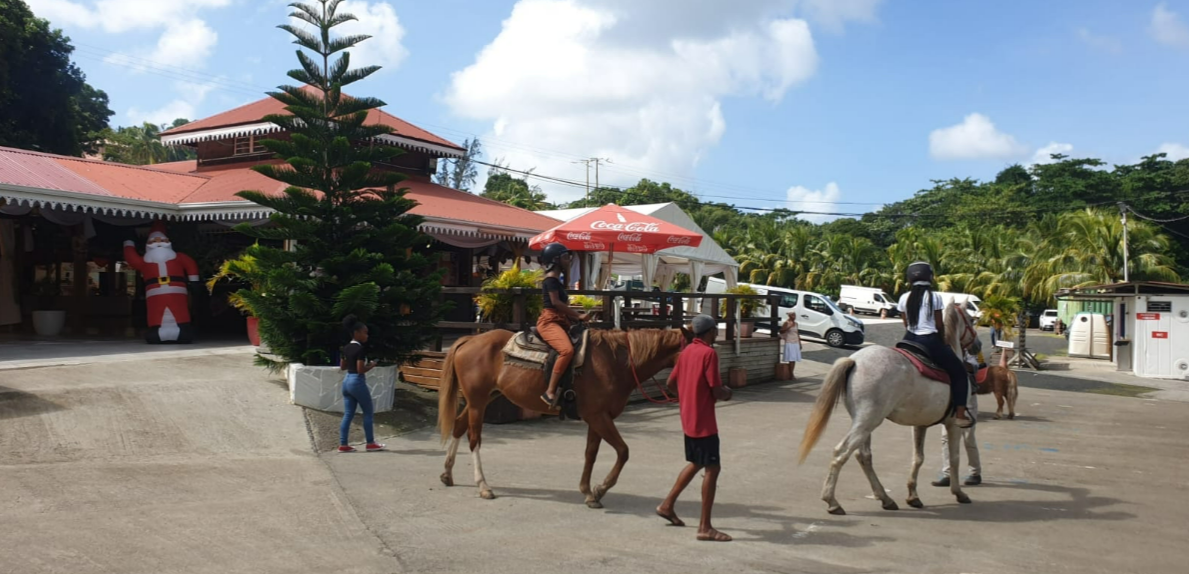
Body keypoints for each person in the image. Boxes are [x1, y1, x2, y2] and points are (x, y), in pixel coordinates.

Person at [656, 314, 733, 542]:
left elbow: (670, 384)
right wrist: (727, 393)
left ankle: (667, 505)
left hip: (688, 419)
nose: (717, 333)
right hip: (704, 421)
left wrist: (687, 397)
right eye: (715, 330)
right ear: (709, 332)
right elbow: (716, 390)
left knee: (697, 462)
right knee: (712, 468)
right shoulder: (709, 353)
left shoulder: (686, 352)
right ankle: (705, 527)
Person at [898, 262, 974, 428]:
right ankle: (960, 415)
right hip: (929, 340)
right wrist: (943, 342)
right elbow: (939, 325)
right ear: (930, 277)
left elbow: (906, 323)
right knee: (960, 372)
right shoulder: (934, 297)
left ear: (910, 278)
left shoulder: (904, 298)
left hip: (908, 339)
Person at [538, 243, 587, 407]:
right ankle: (550, 391)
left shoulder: (556, 280)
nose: (569, 260)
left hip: (560, 319)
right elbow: (556, 303)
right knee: (566, 350)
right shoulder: (551, 280)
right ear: (556, 260)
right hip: (550, 321)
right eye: (566, 257)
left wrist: (576, 319)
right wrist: (578, 315)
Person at [935, 339, 983, 486]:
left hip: (968, 396)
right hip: (951, 396)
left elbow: (976, 367)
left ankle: (975, 472)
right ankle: (947, 473)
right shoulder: (945, 346)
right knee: (945, 437)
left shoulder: (971, 346)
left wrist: (959, 361)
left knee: (968, 435)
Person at [338, 315, 385, 453]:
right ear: (357, 333)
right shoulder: (360, 350)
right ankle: (370, 443)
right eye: (365, 332)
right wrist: (371, 365)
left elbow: (343, 366)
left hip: (346, 381)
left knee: (348, 414)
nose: (367, 335)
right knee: (368, 412)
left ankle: (343, 444)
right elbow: (360, 370)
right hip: (357, 382)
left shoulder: (346, 348)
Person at [779, 310, 802, 380]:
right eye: (792, 315)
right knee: (791, 358)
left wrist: (800, 342)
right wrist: (789, 327)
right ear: (789, 316)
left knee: (794, 359)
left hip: (795, 342)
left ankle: (791, 373)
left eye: (794, 315)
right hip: (789, 342)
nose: (794, 317)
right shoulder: (786, 323)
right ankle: (791, 374)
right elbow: (781, 331)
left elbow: (797, 333)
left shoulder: (796, 324)